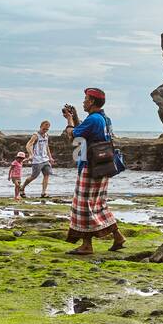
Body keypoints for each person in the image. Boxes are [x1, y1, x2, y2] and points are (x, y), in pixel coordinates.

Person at [62, 88, 126, 255]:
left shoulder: (93, 119)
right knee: (98, 204)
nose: (83, 101)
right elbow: (85, 131)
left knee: (83, 205)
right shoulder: (104, 118)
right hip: (103, 166)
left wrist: (69, 120)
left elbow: (74, 135)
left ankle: (86, 245)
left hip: (90, 166)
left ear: (91, 102)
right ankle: (118, 236)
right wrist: (75, 117)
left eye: (85, 99)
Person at [21, 120, 55, 198]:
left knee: (46, 175)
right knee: (34, 176)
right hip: (37, 160)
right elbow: (28, 145)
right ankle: (22, 188)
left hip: (45, 159)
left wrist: (50, 157)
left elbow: (47, 147)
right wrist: (31, 155)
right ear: (40, 127)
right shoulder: (35, 135)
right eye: (44, 129)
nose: (45, 130)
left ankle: (43, 193)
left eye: (47, 129)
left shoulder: (46, 135)